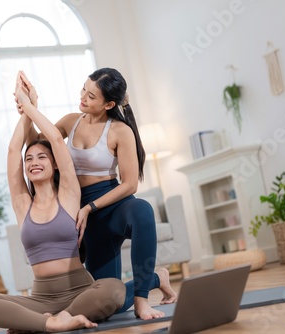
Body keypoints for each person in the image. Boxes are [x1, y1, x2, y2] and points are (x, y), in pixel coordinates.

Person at [0, 71, 126, 333]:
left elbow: (55, 138)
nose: (34, 163)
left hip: (78, 292)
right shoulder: (22, 203)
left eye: (41, 158)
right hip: (39, 299)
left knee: (113, 289)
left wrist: (30, 106)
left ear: (54, 164)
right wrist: (24, 112)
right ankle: (51, 322)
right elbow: (12, 152)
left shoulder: (68, 193)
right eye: (29, 159)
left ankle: (51, 320)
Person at [25, 68, 177, 320]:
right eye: (84, 88)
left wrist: (90, 207)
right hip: (84, 215)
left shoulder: (119, 131)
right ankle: (155, 278)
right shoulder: (69, 121)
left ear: (109, 104)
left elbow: (129, 184)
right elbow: (37, 148)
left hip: (112, 206)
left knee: (142, 210)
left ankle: (142, 301)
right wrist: (30, 110)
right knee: (106, 304)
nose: (83, 96)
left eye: (91, 96)